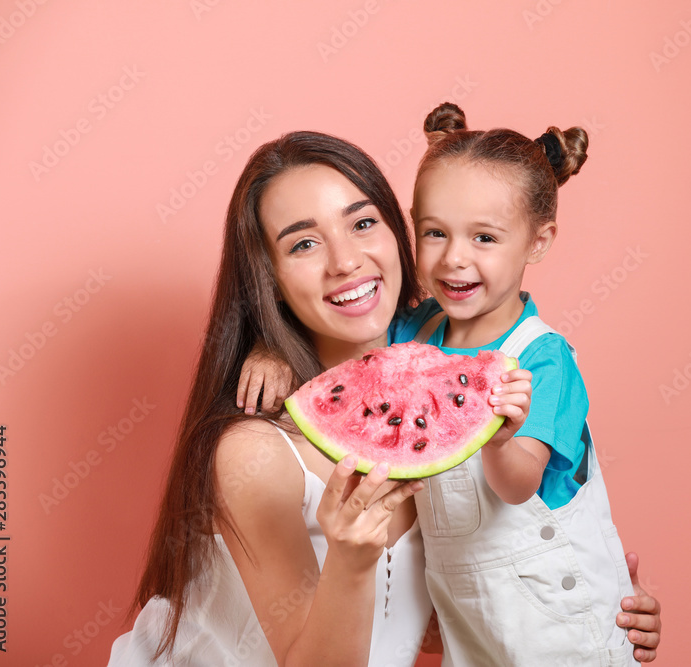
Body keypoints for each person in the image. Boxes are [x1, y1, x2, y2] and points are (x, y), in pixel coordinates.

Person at [111, 130, 661, 666]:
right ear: (268, 278)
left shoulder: (443, 370)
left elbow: (422, 622)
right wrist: (268, 349)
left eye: (363, 223)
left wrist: (590, 604)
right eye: (304, 243)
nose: (345, 261)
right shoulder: (254, 451)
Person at [382, 102, 637, 665]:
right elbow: (339, 356)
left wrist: (497, 437)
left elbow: (519, 484)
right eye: (434, 232)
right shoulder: (413, 329)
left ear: (538, 242)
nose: (454, 259)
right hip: (467, 616)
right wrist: (269, 355)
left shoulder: (541, 359)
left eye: (485, 238)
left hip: (555, 615)